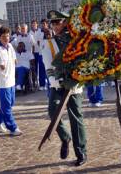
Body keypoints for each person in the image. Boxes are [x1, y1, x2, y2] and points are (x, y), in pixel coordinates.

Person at [42, 11, 87, 166]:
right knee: (52, 111)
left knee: (76, 118)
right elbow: (48, 66)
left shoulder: (76, 39)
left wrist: (77, 77)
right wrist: (58, 82)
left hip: (74, 86)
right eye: (52, 23)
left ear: (66, 22)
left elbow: (83, 59)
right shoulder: (49, 43)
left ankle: (81, 151)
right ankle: (65, 137)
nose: (55, 26)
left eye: (58, 22)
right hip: (58, 85)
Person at [0, 27, 22, 136]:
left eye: (8, 36)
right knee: (6, 106)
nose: (6, 38)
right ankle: (12, 127)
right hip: (3, 82)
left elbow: (15, 60)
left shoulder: (10, 46)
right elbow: (2, 66)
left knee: (10, 103)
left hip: (11, 80)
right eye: (3, 36)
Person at [30, 19, 48, 91]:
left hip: (48, 53)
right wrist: (42, 47)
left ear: (47, 24)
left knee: (48, 68)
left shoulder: (50, 31)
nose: (43, 25)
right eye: (42, 24)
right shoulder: (40, 33)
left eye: (44, 24)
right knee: (41, 69)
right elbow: (37, 42)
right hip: (41, 53)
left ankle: (48, 83)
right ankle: (42, 84)